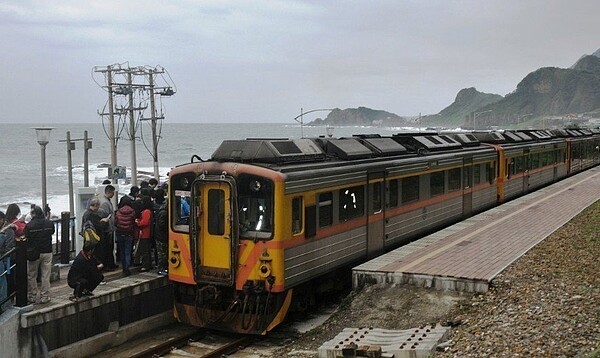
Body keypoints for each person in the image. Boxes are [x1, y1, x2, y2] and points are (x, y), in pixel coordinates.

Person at [24, 205, 55, 304]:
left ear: (33, 214)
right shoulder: (49, 223)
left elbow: (26, 236)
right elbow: (52, 232)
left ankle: (32, 295)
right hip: (47, 251)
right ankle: (45, 296)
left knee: (32, 275)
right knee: (45, 275)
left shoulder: (29, 225)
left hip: (34, 253)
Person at [98, 185, 117, 271]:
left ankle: (111, 264)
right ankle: (107, 265)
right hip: (107, 229)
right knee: (107, 248)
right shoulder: (105, 203)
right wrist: (108, 229)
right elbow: (106, 217)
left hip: (109, 228)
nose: (113, 194)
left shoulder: (106, 201)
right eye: (112, 193)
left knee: (110, 248)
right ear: (108, 192)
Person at [114, 200, 136, 276]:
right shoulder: (132, 212)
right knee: (128, 251)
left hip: (120, 233)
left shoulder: (118, 212)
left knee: (122, 252)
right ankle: (127, 267)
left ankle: (124, 267)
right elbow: (133, 222)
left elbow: (116, 223)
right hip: (129, 234)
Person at [0, 211, 16, 309]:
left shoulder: (8, 230)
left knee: (8, 278)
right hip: (2, 259)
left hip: (7, 259)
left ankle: (6, 302)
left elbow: (9, 247)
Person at [135, 196, 153, 272]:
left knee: (145, 250)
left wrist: (138, 222)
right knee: (147, 250)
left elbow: (145, 222)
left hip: (145, 233)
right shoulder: (149, 211)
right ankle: (148, 264)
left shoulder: (146, 211)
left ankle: (146, 265)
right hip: (147, 233)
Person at [153, 189, 168, 276]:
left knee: (162, 253)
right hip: (161, 235)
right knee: (162, 253)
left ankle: (162, 268)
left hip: (159, 234)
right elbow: (162, 225)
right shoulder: (163, 212)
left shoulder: (159, 209)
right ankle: (161, 268)